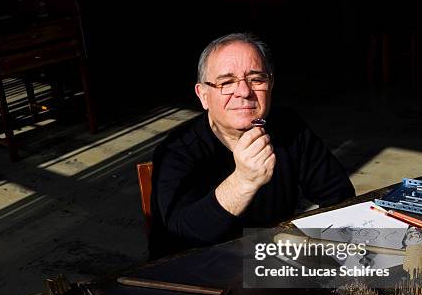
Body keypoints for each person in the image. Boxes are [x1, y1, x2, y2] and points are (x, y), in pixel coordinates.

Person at [149, 33, 355, 259]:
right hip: (196, 277)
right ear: (204, 95)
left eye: (256, 79)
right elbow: (179, 238)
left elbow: (339, 196)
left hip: (271, 265)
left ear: (271, 84)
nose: (245, 92)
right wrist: (243, 181)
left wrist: (310, 249)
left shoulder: (289, 128)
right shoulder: (177, 151)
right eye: (226, 83)